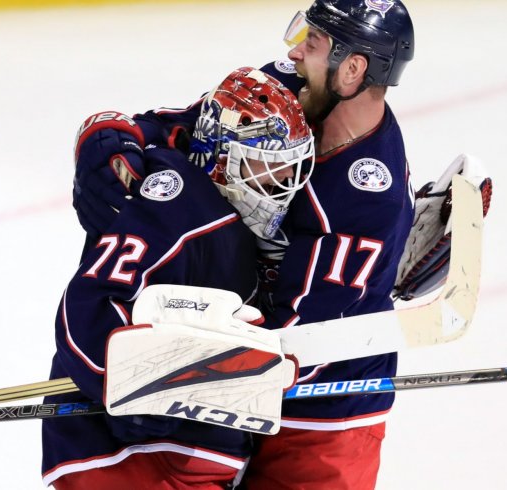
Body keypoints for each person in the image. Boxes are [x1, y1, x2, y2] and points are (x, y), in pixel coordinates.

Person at [71, 1, 417, 488]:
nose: (293, 53)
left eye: (311, 43)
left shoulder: (362, 204)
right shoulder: (299, 90)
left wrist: (167, 378)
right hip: (239, 406)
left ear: (353, 68)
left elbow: (296, 345)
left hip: (321, 416)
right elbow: (193, 127)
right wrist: (108, 136)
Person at [42, 67, 315, 489]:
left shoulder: (239, 222)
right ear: (225, 157)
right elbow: (85, 310)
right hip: (122, 456)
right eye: (269, 165)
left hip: (195, 451)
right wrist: (132, 393)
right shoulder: (176, 207)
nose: (283, 182)